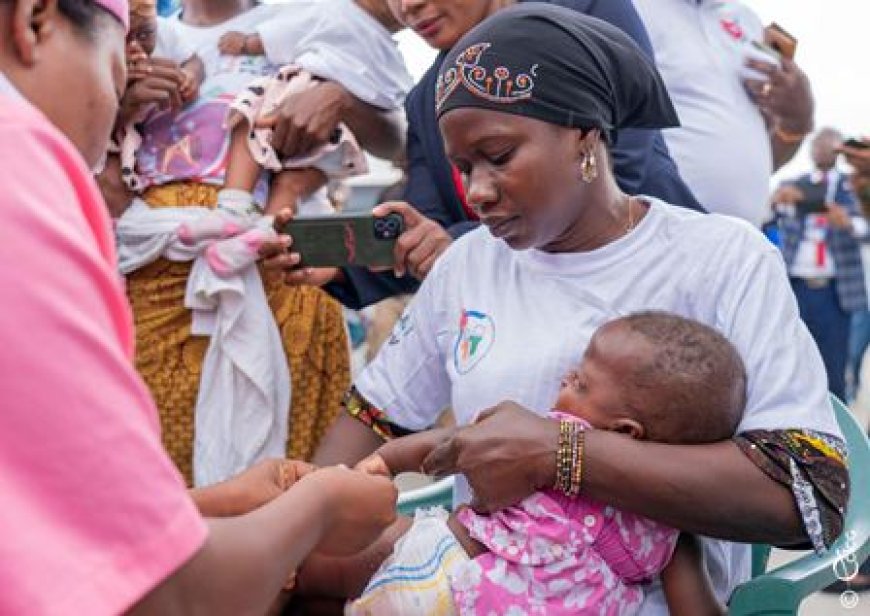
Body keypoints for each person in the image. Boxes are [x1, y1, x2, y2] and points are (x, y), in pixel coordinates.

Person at [310, 6, 849, 613]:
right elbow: (375, 417)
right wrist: (300, 513)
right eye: (463, 169)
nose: (478, 192)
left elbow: (805, 497)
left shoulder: (720, 259)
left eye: (499, 155)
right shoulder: (469, 266)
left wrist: (556, 454)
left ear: (586, 136)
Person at [0, 1, 398, 614]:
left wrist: (211, 503)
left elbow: (61, 524)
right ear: (33, 21)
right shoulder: (22, 170)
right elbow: (168, 592)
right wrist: (319, 508)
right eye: (114, 70)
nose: (113, 106)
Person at [107, 0, 406, 484]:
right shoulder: (141, 34)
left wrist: (340, 99)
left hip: (281, 271)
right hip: (152, 285)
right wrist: (118, 99)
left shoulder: (307, 21)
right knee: (152, 478)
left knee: (281, 484)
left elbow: (398, 140)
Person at [262, 0, 703, 309]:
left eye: (501, 153)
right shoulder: (424, 102)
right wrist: (342, 264)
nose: (408, 6)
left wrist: (455, 245)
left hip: (663, 281)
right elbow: (426, 223)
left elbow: (622, 164)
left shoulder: (580, 14)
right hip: (532, 320)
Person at [299, 312, 739, 615]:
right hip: (457, 586)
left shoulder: (554, 437)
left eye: (580, 383)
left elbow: (454, 441)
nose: (565, 380)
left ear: (626, 432)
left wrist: (385, 463)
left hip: (442, 577)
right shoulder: (670, 528)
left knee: (320, 583)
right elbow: (695, 608)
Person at [169, 0, 412, 278]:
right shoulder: (150, 33)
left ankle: (238, 209)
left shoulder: (309, 12)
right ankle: (261, 231)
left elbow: (401, 141)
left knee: (248, 118)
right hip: (160, 257)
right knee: (286, 179)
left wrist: (341, 100)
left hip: (288, 262)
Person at [632, 0, 815, 227]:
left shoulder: (746, 20)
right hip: (660, 236)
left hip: (745, 244)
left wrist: (798, 121)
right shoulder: (629, 9)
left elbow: (759, 161)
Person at [767, 128, 867, 401]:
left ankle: (837, 431)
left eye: (827, 142)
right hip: (795, 286)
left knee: (833, 367)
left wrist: (849, 223)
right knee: (791, 362)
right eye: (816, 143)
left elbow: (866, 228)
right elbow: (771, 217)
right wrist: (777, 204)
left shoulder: (855, 186)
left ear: (839, 148)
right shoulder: (792, 184)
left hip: (835, 292)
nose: (820, 148)